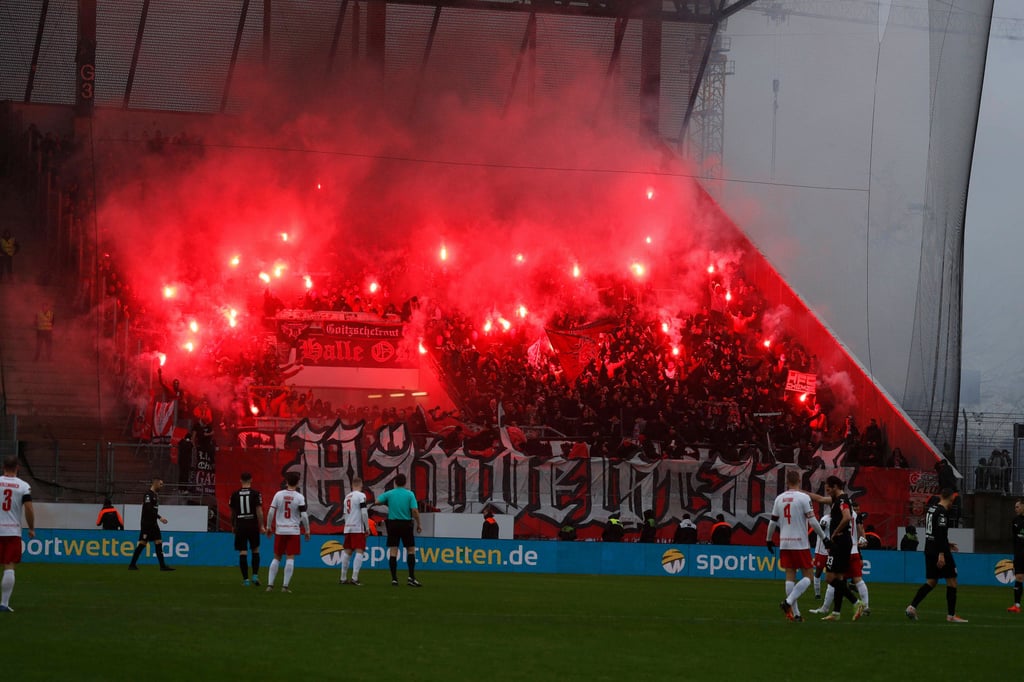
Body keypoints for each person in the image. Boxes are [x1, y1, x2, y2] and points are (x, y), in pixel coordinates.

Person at [766, 468, 828, 622]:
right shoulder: (803, 497)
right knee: (809, 576)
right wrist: (824, 537)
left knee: (790, 576)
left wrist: (768, 539)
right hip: (800, 543)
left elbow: (772, 522)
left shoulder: (779, 498)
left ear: (787, 482)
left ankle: (796, 614)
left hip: (784, 543)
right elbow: (813, 520)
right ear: (799, 481)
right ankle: (787, 602)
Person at [905, 488, 967, 623]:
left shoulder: (932, 509)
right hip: (939, 551)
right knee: (952, 580)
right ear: (950, 498)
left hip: (929, 549)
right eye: (953, 500)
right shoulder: (942, 512)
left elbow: (934, 532)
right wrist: (942, 554)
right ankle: (951, 615)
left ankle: (912, 607)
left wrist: (946, 543)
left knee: (931, 581)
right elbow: (940, 533)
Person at [816, 476, 863, 621]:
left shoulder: (842, 500)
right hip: (843, 542)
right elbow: (820, 499)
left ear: (835, 486)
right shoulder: (837, 499)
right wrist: (801, 492)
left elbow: (847, 517)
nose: (827, 491)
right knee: (839, 578)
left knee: (830, 578)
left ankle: (856, 602)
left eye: (828, 488)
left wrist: (835, 533)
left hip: (841, 542)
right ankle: (836, 613)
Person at [374, 472, 423, 587]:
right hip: (406, 524)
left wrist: (388, 503)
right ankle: (411, 577)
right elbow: (415, 511)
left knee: (393, 551)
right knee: (410, 550)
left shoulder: (390, 493)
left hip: (393, 524)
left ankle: (394, 579)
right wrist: (419, 523)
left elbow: (377, 501)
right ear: (405, 483)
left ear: (395, 482)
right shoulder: (410, 494)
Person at [265, 471, 310, 592]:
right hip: (293, 531)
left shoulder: (278, 495)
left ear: (286, 481)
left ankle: (270, 585)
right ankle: (285, 586)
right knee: (290, 558)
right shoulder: (299, 497)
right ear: (298, 482)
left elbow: (270, 512)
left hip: (280, 531)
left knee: (276, 558)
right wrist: (307, 530)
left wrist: (268, 527)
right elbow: (304, 516)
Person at [0, 456, 35, 612]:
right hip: (12, 530)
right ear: (18, 467)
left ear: (3, 467)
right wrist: (31, 528)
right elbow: (28, 508)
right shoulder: (23, 486)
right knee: (9, 565)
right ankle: (4, 603)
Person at [128, 477, 174, 571]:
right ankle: (132, 565)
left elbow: (152, 509)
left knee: (158, 542)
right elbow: (148, 509)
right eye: (161, 484)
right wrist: (160, 517)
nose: (162, 486)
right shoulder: (148, 495)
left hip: (153, 523)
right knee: (142, 544)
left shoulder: (155, 495)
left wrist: (157, 519)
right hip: (147, 524)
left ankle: (162, 566)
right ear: (155, 484)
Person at [229, 472, 265, 586]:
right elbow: (259, 511)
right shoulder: (255, 494)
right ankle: (255, 576)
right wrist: (262, 525)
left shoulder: (234, 494)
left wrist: (233, 525)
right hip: (253, 525)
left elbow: (233, 513)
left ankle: (246, 580)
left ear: (240, 480)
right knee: (255, 550)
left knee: (243, 551)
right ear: (251, 480)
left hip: (240, 525)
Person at [339, 477, 369, 585]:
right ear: (361, 485)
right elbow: (364, 512)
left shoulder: (347, 497)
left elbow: (345, 514)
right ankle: (354, 578)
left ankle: (343, 578)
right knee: (360, 550)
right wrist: (367, 527)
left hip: (348, 527)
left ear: (352, 485)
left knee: (347, 551)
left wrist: (347, 526)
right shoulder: (361, 496)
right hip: (357, 527)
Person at [1008, 498, 1024, 613]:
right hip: (1019, 554)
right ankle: (1016, 605)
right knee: (1019, 577)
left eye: (1017, 507)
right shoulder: (1015, 520)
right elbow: (1015, 538)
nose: (1015, 509)